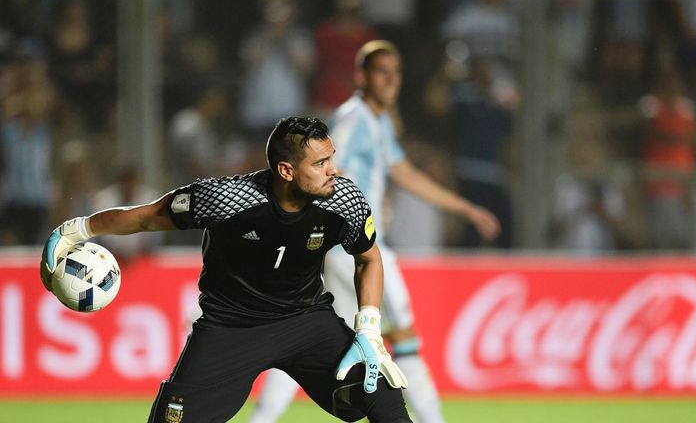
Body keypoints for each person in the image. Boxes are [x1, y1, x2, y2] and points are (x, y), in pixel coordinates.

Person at [40, 116, 412, 423]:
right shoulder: (227, 199)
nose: (334, 170)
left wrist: (368, 328)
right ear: (285, 170)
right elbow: (147, 218)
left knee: (385, 396)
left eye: (331, 157)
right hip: (231, 328)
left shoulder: (343, 201)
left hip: (307, 321)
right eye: (320, 163)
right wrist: (79, 229)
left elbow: (369, 258)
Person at [251, 41, 500, 423]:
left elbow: (404, 173)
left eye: (395, 72)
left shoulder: (376, 120)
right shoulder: (353, 119)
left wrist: (464, 207)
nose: (390, 80)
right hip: (359, 247)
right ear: (362, 76)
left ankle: (261, 419)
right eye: (382, 72)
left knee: (308, 341)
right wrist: (356, 205)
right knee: (405, 337)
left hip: (343, 248)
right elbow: (325, 170)